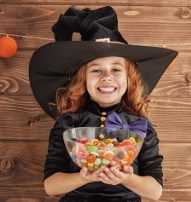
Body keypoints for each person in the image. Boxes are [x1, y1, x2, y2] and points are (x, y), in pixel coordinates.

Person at [29, 6, 178, 202]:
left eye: (116, 69)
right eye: (96, 70)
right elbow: (51, 186)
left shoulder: (140, 126)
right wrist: (83, 177)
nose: (107, 77)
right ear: (82, 79)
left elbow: (155, 192)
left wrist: (127, 178)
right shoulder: (68, 123)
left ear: (129, 79)